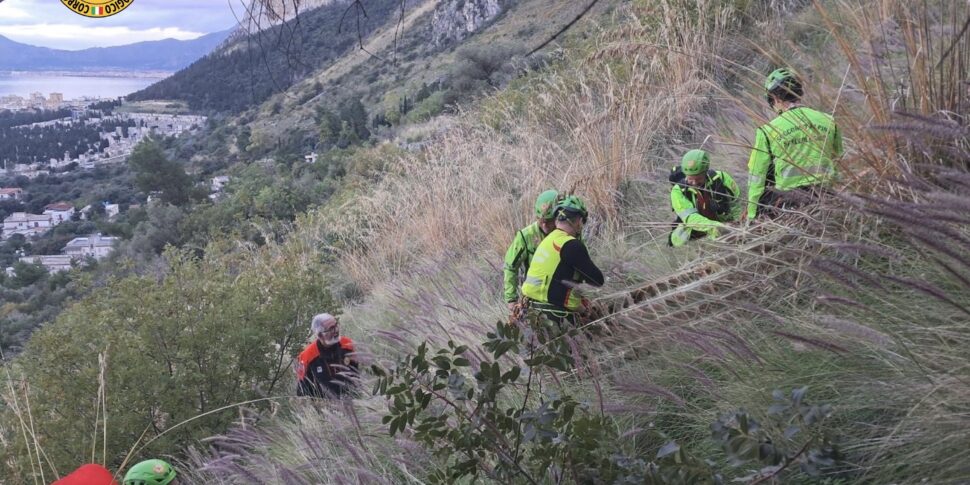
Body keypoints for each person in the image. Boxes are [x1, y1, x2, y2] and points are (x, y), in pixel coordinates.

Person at [746, 68, 843, 220]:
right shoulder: (828, 120)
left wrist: (751, 216)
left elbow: (756, 178)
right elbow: (838, 159)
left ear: (775, 98)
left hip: (790, 201)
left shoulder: (766, 131)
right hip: (827, 192)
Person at [521, 195, 605, 325]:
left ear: (556, 221)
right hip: (554, 316)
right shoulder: (571, 245)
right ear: (579, 221)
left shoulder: (547, 240)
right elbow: (597, 281)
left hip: (528, 311)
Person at [668, 149, 741, 247]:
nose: (694, 183)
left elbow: (736, 203)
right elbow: (691, 218)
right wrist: (715, 227)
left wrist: (738, 224)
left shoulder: (721, 178)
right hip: (690, 234)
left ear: (705, 172)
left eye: (698, 179)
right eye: (690, 179)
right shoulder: (677, 191)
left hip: (724, 224)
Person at [503, 189, 561, 310]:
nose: (544, 225)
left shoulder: (568, 233)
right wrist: (511, 299)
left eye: (549, 221)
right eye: (541, 220)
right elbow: (510, 266)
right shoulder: (526, 236)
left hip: (562, 296)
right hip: (535, 299)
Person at [296, 313, 358, 398]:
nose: (336, 330)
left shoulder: (348, 344)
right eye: (331, 329)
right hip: (325, 405)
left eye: (336, 325)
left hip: (353, 398)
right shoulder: (307, 356)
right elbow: (302, 391)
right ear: (320, 335)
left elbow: (356, 373)